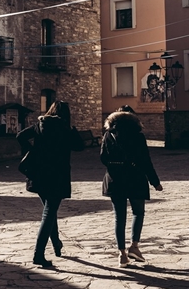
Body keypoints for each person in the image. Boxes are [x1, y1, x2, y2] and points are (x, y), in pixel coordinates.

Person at [16, 101, 86, 268]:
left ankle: (56, 244)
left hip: (39, 174)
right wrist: (74, 130)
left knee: (50, 210)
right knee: (49, 212)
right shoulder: (64, 129)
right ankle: (38, 254)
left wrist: (31, 150)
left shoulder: (40, 125)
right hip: (57, 175)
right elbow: (80, 146)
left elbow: (20, 136)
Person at [101, 106, 162, 267]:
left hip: (115, 180)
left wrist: (115, 166)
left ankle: (122, 254)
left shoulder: (108, 135)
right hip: (135, 178)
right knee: (138, 212)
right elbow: (145, 160)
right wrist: (155, 181)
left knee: (119, 218)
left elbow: (103, 157)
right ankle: (134, 246)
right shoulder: (138, 136)